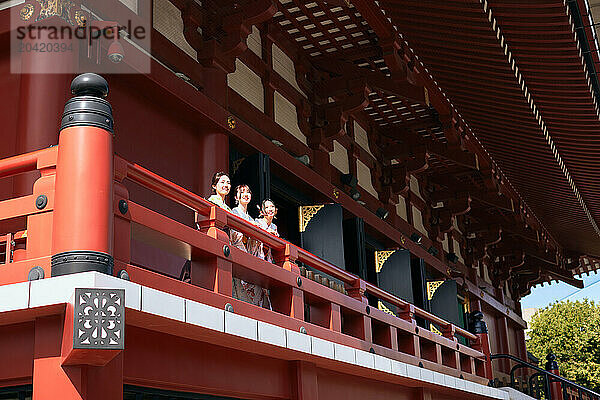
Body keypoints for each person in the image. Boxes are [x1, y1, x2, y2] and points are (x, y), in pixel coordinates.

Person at [256, 199, 279, 263]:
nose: (270, 209)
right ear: (262, 211)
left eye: (272, 206)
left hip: (268, 257)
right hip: (257, 254)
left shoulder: (274, 227)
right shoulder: (258, 222)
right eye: (267, 207)